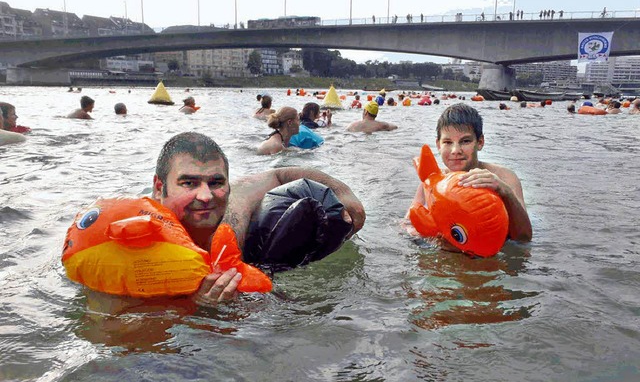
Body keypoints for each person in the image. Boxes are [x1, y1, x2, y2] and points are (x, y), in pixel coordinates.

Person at [152, 132, 365, 305]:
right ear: (159, 189)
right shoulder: (140, 251)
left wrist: (342, 192)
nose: (206, 196)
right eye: (189, 183)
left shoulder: (235, 206)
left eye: (216, 182)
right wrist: (196, 309)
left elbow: (278, 174)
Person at [408, 103, 532, 245]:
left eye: (465, 141)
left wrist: (505, 192)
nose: (455, 150)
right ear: (438, 145)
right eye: (447, 142)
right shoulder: (432, 183)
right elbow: (407, 224)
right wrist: (435, 236)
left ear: (480, 142)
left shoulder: (503, 177)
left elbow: (524, 238)